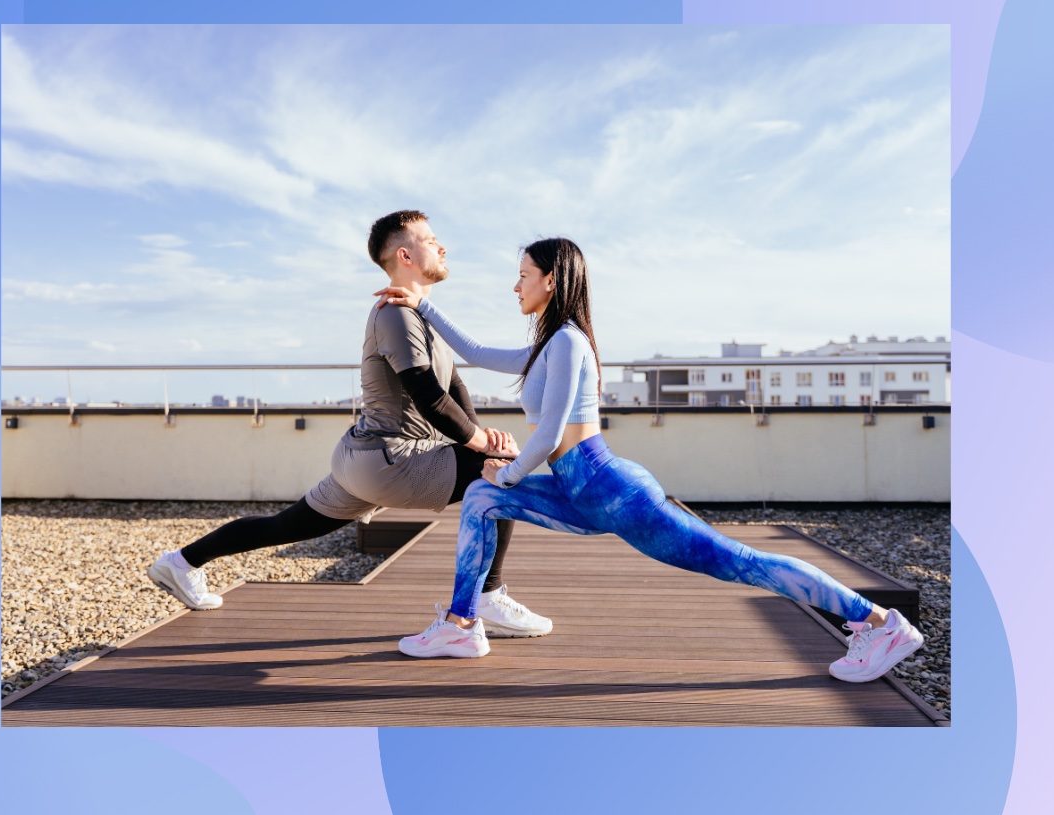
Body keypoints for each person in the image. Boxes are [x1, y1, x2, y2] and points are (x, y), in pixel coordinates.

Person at [379, 237, 924, 682]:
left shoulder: (568, 342)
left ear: (551, 279)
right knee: (480, 499)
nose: (515, 284)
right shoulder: (549, 345)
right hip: (584, 492)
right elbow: (475, 353)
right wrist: (421, 305)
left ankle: (879, 622)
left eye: (523, 274)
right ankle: (461, 623)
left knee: (740, 562)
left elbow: (546, 436)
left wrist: (510, 472)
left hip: (610, 489)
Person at [145, 210, 551, 639]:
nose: (442, 245)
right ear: (404, 254)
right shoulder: (395, 315)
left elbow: (453, 384)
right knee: (503, 472)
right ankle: (484, 598)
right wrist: (485, 443)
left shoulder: (418, 313)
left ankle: (181, 562)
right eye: (430, 239)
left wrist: (478, 439)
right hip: (391, 459)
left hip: (366, 459)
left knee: (288, 525)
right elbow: (429, 397)